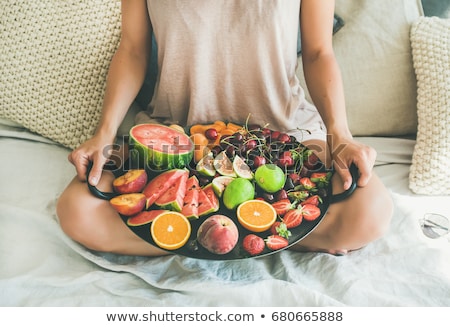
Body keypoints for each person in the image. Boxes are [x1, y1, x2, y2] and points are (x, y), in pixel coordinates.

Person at [56, 0, 393, 256]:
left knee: (372, 212)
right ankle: (256, 240)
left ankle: (184, 238)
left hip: (284, 134)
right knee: (77, 211)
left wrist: (340, 135)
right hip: (175, 136)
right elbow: (131, 50)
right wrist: (104, 132)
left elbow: (319, 53)